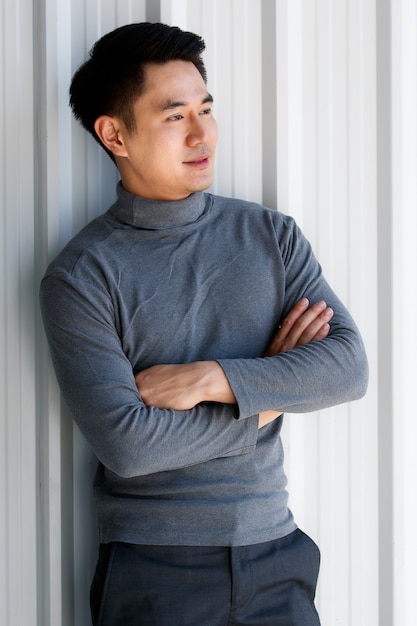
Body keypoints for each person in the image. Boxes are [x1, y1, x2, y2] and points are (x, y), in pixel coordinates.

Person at [40, 22, 368, 626]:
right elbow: (130, 446)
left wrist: (210, 378)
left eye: (206, 109)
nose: (202, 134)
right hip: (155, 570)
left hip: (277, 552)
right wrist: (269, 396)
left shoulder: (271, 236)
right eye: (174, 116)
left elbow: (347, 369)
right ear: (114, 134)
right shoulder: (81, 276)